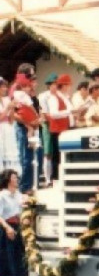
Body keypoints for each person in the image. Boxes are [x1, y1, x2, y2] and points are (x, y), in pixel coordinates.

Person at [46, 74, 85, 183]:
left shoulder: (66, 98)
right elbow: (53, 114)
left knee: (67, 156)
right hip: (58, 130)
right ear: (63, 86)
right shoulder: (54, 98)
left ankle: (66, 178)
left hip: (67, 129)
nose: (70, 88)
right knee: (57, 157)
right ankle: (56, 179)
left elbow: (68, 113)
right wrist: (70, 112)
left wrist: (76, 114)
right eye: (68, 85)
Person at [10, 63, 39, 192]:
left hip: (31, 127)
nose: (32, 77)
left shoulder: (26, 89)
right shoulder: (15, 89)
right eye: (31, 75)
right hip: (22, 128)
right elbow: (15, 113)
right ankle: (23, 187)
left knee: (32, 158)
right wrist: (28, 126)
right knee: (25, 158)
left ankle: (29, 185)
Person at [0, 169, 27, 276]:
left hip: (17, 226)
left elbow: (22, 210)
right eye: (14, 178)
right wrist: (7, 228)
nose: (16, 180)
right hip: (5, 227)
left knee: (17, 257)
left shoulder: (18, 194)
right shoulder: (2, 195)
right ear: (8, 180)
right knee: (6, 258)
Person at [38, 73, 57, 186]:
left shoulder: (59, 96)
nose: (55, 87)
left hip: (58, 126)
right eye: (54, 84)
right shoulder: (43, 96)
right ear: (49, 85)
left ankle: (56, 177)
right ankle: (47, 178)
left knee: (57, 152)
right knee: (48, 152)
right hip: (48, 125)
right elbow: (44, 113)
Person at [0, 79, 20, 172]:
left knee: (10, 152)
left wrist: (12, 108)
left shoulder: (7, 99)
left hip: (8, 128)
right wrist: (7, 108)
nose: (5, 89)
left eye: (5, 86)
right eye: (3, 86)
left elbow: (11, 120)